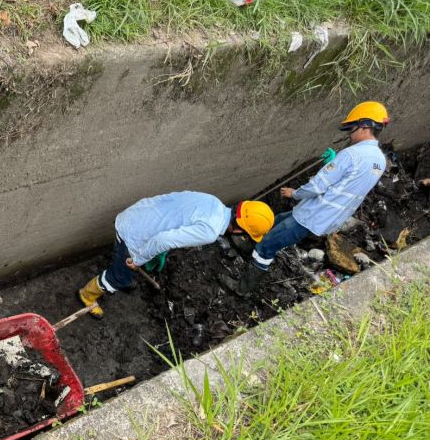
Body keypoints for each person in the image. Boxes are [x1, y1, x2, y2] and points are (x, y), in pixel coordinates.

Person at [225, 101, 390, 298]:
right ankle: (249, 247)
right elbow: (350, 184)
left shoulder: (351, 154)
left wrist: (294, 194)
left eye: (351, 128)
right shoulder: (379, 160)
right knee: (274, 223)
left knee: (267, 246)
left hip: (311, 215)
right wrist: (334, 165)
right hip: (325, 218)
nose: (349, 133)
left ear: (365, 126)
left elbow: (318, 186)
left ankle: (242, 289)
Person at [77, 192, 274, 318]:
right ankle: (87, 295)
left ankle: (123, 275)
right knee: (119, 276)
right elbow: (164, 241)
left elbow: (174, 205)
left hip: (140, 213)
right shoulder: (210, 231)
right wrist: (137, 259)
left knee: (128, 268)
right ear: (240, 231)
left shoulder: (214, 202)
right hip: (134, 234)